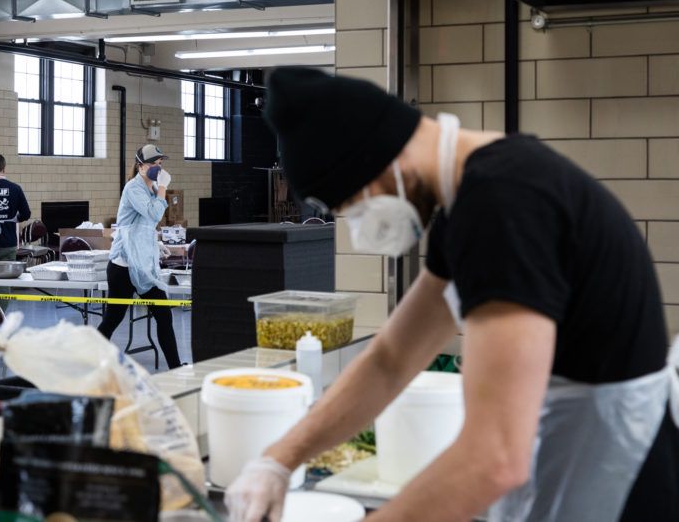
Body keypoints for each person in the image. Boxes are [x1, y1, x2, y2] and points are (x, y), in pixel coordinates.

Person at [225, 68, 679, 522]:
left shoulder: (504, 204)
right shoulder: (473, 199)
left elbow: (495, 458)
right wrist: (278, 459)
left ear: (385, 160)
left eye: (352, 205)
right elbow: (391, 358)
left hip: (619, 487)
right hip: (573, 459)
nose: (361, 227)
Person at [97, 144, 183, 369]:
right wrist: (163, 187)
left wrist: (155, 243)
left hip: (142, 266)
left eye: (160, 164)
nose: (158, 167)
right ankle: (89, 361)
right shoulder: (133, 188)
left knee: (163, 315)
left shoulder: (152, 188)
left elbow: (143, 225)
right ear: (140, 166)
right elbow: (154, 213)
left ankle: (175, 367)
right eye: (153, 164)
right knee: (112, 319)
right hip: (123, 266)